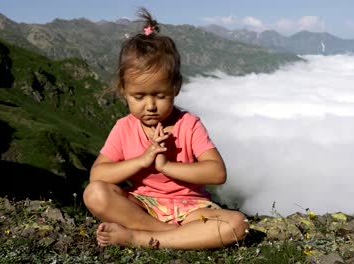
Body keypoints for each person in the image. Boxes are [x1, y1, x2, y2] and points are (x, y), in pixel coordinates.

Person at [83, 7, 249, 250]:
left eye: (160, 95)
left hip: (192, 209)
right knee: (94, 193)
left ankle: (138, 238)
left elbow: (216, 173)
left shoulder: (188, 124)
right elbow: (97, 176)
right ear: (123, 90)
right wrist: (142, 160)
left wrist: (165, 166)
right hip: (142, 205)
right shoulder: (124, 127)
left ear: (176, 87)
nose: (150, 106)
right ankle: (180, 236)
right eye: (139, 96)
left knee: (237, 224)